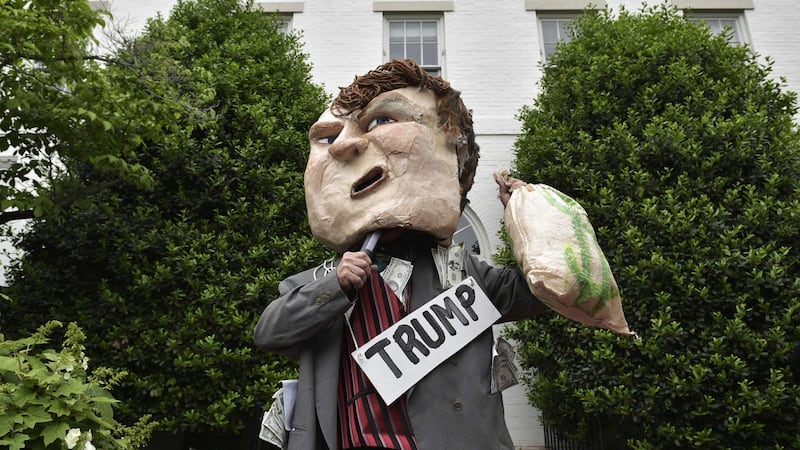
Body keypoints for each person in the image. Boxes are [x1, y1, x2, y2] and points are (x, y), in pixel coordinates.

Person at [254, 59, 549, 450]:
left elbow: (544, 291)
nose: (344, 145)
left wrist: (527, 220)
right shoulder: (319, 280)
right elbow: (269, 332)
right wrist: (336, 283)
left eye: (381, 122)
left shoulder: (462, 275)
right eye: (329, 138)